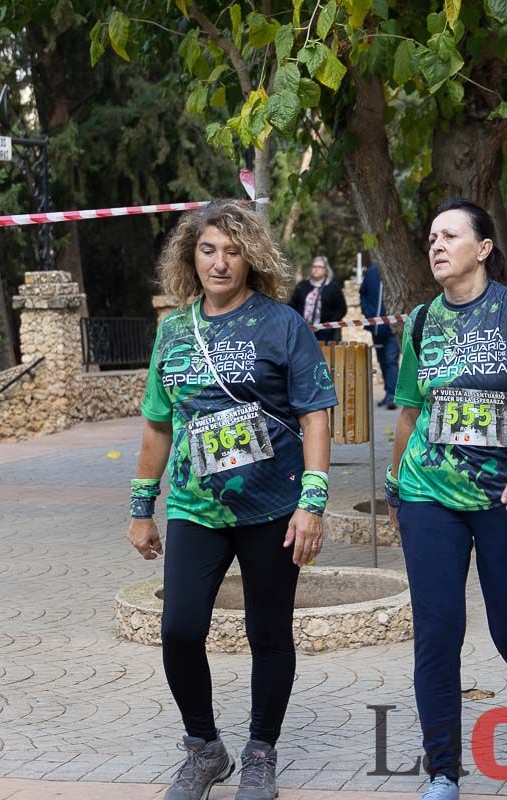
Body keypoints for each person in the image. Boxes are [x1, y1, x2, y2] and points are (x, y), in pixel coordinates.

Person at [129, 201, 338, 800]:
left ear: (251, 257)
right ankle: (204, 748)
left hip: (273, 506)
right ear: (189, 258)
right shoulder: (172, 331)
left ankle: (261, 752)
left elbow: (315, 413)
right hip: (197, 506)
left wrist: (313, 502)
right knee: (179, 628)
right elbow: (157, 424)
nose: (219, 262)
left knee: (268, 633)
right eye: (207, 250)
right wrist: (143, 506)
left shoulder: (281, 324)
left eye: (232, 250)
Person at [385, 198, 507, 800]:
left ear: (484, 248)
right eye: (432, 237)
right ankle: (442, 769)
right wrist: (395, 485)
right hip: (429, 494)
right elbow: (410, 412)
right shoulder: (421, 323)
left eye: (451, 235)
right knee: (437, 630)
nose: (437, 245)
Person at [359, 262, 399, 409]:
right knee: (382, 360)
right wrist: (367, 312)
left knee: (390, 361)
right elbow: (363, 293)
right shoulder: (372, 271)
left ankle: (392, 396)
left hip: (392, 328)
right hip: (376, 327)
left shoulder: (396, 268)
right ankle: (387, 392)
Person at [290, 255, 347, 342]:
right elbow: (293, 305)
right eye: (314, 266)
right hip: (303, 331)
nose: (316, 269)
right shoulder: (302, 286)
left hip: (325, 334)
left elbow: (341, 309)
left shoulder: (333, 288)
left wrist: (330, 324)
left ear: (326, 270)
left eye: (320, 267)